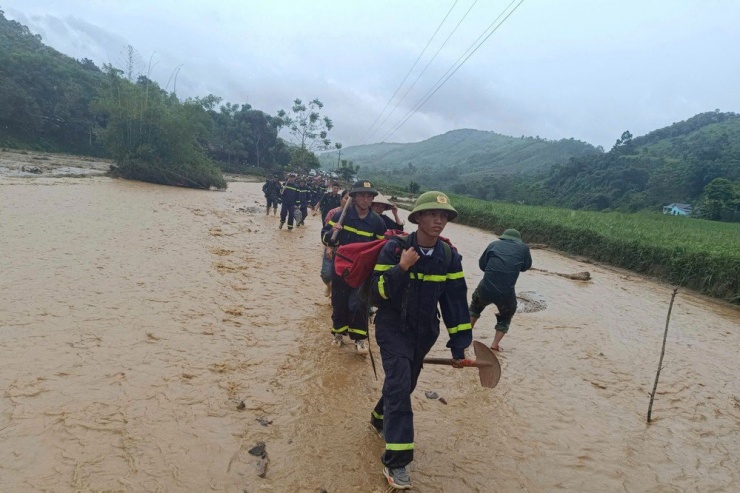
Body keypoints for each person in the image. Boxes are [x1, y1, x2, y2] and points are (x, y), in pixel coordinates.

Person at [368, 191, 471, 490]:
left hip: (424, 333)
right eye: (432, 215)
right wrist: (401, 268)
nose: (439, 220)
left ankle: (378, 417)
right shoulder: (394, 249)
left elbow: (456, 305)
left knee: (405, 384)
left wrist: (459, 345)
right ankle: (397, 462)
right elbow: (376, 294)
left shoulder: (449, 257)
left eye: (444, 216)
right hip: (392, 328)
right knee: (399, 383)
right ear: (417, 218)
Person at [321, 181, 386, 354]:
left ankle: (359, 339)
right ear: (354, 197)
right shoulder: (341, 216)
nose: (366, 199)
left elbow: (381, 249)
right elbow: (325, 238)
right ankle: (338, 333)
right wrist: (332, 233)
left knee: (358, 304)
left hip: (363, 271)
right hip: (341, 268)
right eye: (362, 195)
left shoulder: (377, 222)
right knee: (339, 302)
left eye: (369, 196)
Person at [469, 228, 532, 351]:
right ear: (517, 240)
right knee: (506, 316)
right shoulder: (524, 248)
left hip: (485, 288)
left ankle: (464, 337)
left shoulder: (493, 245)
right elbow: (525, 267)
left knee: (474, 308)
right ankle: (494, 345)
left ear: (503, 237)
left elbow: (482, 265)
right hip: (506, 293)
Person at [319, 190, 349, 297]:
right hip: (332, 247)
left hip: (344, 251)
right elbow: (326, 231)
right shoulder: (334, 213)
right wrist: (328, 246)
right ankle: (328, 286)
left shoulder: (355, 216)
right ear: (341, 200)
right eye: (346, 198)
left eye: (351, 199)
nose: (348, 201)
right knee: (326, 274)